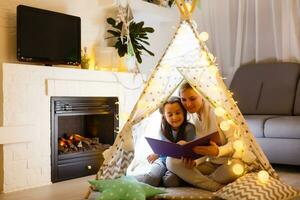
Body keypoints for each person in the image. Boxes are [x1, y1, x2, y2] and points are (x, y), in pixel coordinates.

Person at [166, 82, 244, 191]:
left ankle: (195, 180)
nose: (188, 104)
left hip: (229, 163)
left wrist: (218, 151)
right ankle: (214, 185)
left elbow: (237, 144)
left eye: (192, 99)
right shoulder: (193, 116)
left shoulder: (218, 111)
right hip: (209, 163)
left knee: (236, 169)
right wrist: (194, 161)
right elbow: (203, 148)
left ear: (202, 95)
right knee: (170, 161)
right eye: (184, 100)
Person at [136, 96, 196, 187]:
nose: (174, 117)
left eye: (178, 113)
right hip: (163, 160)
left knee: (171, 182)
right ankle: (131, 180)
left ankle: (162, 180)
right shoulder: (163, 129)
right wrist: (157, 153)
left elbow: (190, 150)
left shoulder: (189, 128)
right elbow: (164, 147)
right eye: (170, 115)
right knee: (151, 179)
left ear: (183, 112)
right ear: (164, 116)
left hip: (178, 164)